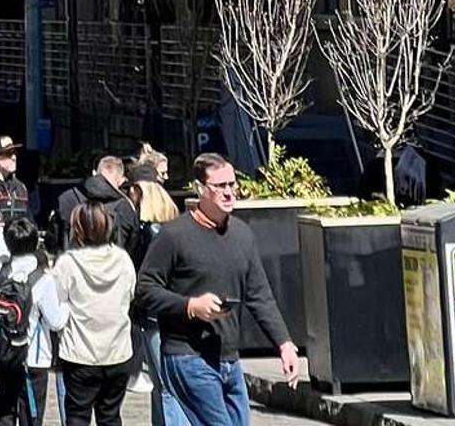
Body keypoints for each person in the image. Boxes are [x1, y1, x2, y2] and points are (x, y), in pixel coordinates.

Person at [135, 154, 299, 426]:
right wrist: (190, 306)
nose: (229, 192)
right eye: (220, 186)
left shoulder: (242, 235)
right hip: (187, 355)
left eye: (232, 184)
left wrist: (284, 344)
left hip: (229, 358)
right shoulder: (174, 236)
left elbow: (259, 295)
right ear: (200, 188)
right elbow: (144, 290)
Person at [55, 203, 137, 426]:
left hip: (79, 353)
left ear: (77, 229)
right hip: (117, 351)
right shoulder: (123, 259)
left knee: (77, 416)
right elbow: (130, 294)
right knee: (110, 416)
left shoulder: (67, 263)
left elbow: (57, 303)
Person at [126, 176, 190, 426]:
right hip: (170, 310)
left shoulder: (149, 232)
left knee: (164, 384)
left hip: (154, 313)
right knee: (163, 383)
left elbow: (144, 274)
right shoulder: (176, 231)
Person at [0, 217, 63, 426]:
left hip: (3, 356)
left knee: (3, 418)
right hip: (34, 359)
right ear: (36, 243)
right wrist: (67, 307)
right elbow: (56, 322)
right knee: (31, 419)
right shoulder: (44, 279)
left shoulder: (0, 272)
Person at [57, 157, 139, 256]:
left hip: (74, 261)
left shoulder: (68, 197)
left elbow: (59, 238)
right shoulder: (124, 207)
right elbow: (132, 244)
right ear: (121, 181)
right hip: (112, 263)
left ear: (95, 173)